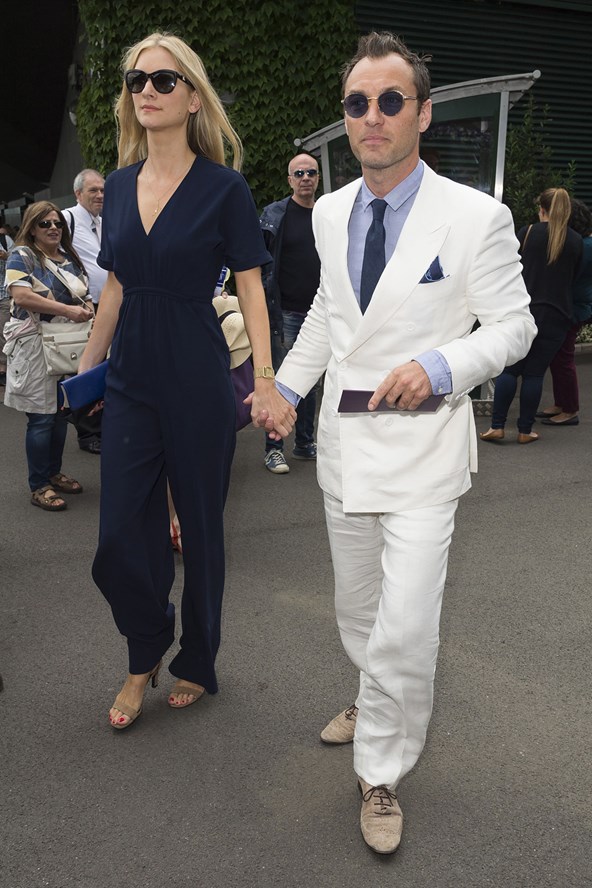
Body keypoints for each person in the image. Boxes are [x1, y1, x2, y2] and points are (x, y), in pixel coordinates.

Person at [273, 31, 536, 854]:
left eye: (391, 100)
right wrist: (286, 388)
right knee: (359, 613)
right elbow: (330, 315)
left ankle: (380, 770)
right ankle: (371, 695)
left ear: (422, 113)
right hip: (346, 451)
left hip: (424, 456)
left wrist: (442, 364)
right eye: (358, 103)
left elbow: (515, 326)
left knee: (408, 622)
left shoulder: (476, 216)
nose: (373, 116)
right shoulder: (329, 212)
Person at [77, 32, 294, 730]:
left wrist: (266, 380)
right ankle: (146, 646)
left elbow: (252, 288)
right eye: (137, 80)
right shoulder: (117, 186)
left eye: (164, 80)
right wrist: (87, 367)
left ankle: (197, 659)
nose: (147, 90)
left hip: (198, 373)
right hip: (131, 376)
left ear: (193, 97)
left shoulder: (224, 188)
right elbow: (115, 286)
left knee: (199, 528)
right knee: (118, 535)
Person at [3, 202, 93, 510]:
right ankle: (39, 484)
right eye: (45, 223)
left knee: (59, 415)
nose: (53, 227)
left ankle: (53, 473)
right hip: (36, 346)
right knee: (41, 418)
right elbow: (21, 295)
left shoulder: (69, 258)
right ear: (31, 227)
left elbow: (86, 296)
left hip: (68, 345)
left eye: (57, 223)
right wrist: (68, 310)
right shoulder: (22, 255)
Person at [481, 187, 582, 444]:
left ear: (542, 210)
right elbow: (574, 279)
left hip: (524, 310)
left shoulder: (528, 233)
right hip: (558, 315)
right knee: (535, 374)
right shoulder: (576, 241)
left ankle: (497, 426)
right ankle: (525, 431)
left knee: (509, 371)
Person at [260, 153, 321, 474]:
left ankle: (304, 442)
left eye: (311, 172)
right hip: (285, 313)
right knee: (283, 383)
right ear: (289, 180)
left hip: (319, 315)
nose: (305, 177)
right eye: (299, 173)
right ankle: (273, 449)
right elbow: (257, 264)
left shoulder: (328, 214)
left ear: (318, 178)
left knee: (311, 383)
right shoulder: (275, 215)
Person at [63, 169, 108, 454]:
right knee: (88, 366)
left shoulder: (104, 222)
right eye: (93, 190)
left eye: (102, 190)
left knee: (108, 366)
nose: (100, 195)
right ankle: (88, 432)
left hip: (112, 305)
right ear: (78, 193)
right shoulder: (66, 219)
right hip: (86, 307)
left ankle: (102, 424)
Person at [537, 198, 592, 426]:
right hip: (573, 306)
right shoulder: (584, 242)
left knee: (563, 359)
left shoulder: (583, 245)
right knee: (558, 358)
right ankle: (562, 403)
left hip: (573, 307)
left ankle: (570, 409)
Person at [0, 218, 15, 385]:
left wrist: (6, 256)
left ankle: (3, 368)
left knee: (3, 330)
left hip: (2, 294)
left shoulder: (5, 240)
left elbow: (17, 258)